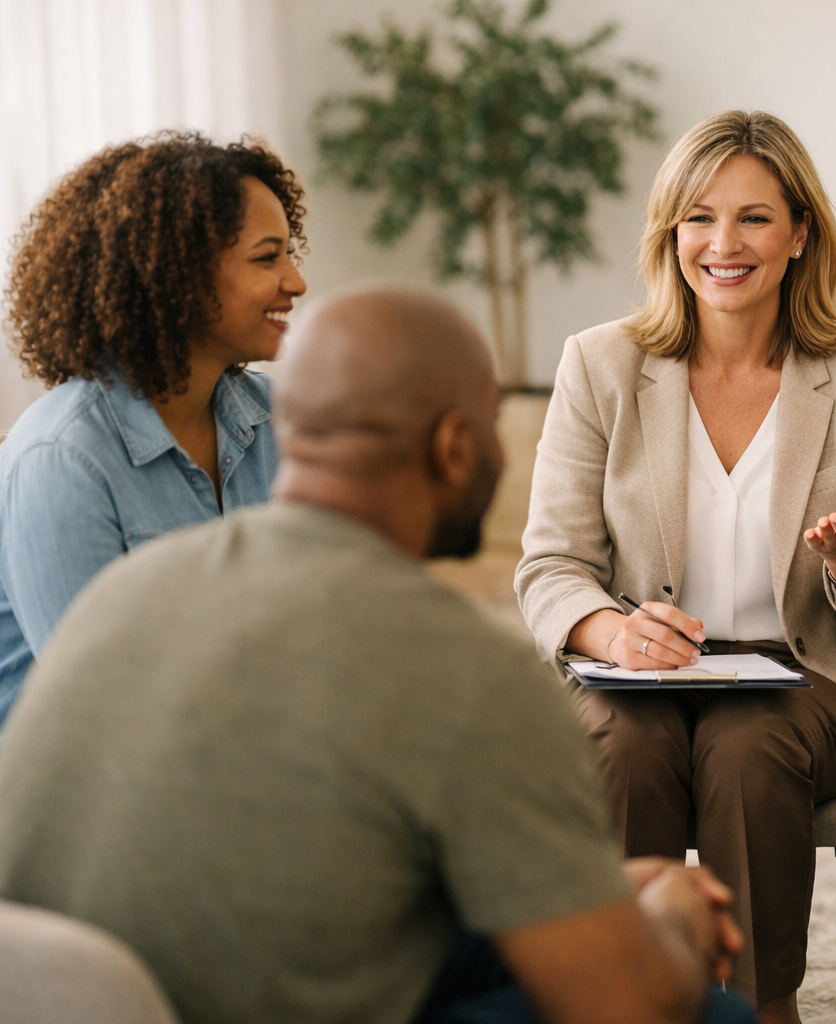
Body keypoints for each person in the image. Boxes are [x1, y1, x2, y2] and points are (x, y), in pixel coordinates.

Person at [0, 287, 756, 1024]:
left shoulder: (126, 591)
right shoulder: (471, 676)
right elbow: (625, 1005)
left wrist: (583, 892)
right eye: (493, 425)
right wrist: (673, 927)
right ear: (455, 446)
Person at [516, 110, 836, 1023]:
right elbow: (550, 564)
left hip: (817, 676)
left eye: (753, 217)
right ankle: (626, 997)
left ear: (799, 234)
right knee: (626, 745)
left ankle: (758, 1005)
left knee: (748, 745)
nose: (723, 244)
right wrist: (610, 629)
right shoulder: (601, 364)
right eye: (698, 217)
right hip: (642, 674)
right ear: (670, 232)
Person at [0, 132, 307, 724]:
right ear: (178, 276)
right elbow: (103, 712)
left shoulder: (283, 419)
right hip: (88, 794)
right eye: (267, 258)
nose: (294, 282)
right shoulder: (62, 457)